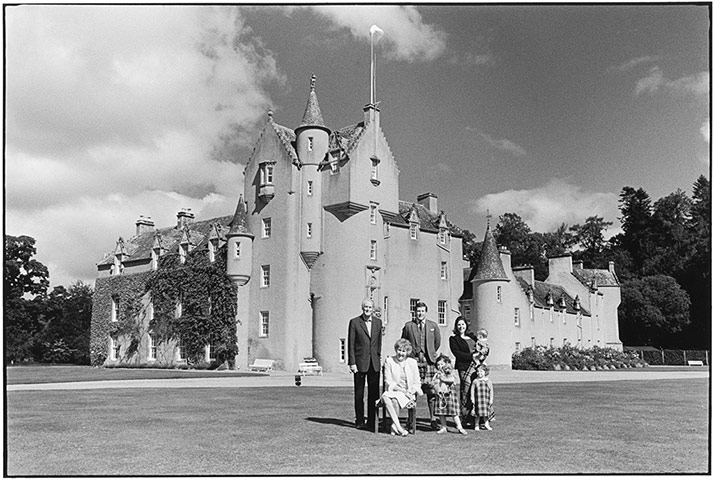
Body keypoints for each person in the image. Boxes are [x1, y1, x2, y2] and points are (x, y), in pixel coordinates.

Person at [401, 301, 441, 430]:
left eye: (422, 311)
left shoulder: (433, 326)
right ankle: (411, 420)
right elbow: (404, 342)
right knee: (412, 391)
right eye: (418, 311)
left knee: (431, 392)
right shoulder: (408, 326)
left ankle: (433, 419)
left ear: (426, 312)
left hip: (429, 362)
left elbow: (437, 342)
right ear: (415, 312)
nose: (420, 313)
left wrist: (430, 353)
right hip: (414, 362)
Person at [348, 298, 382, 430]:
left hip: (374, 363)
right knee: (359, 394)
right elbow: (351, 343)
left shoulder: (378, 323)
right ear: (362, 308)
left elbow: (378, 343)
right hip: (360, 363)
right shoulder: (355, 322)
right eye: (365, 307)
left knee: (374, 394)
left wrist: (378, 357)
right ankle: (360, 420)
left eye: (370, 307)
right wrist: (352, 363)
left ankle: (372, 421)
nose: (367, 309)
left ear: (373, 309)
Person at [381, 338, 422, 436]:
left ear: (407, 352)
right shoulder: (389, 361)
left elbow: (417, 382)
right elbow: (388, 381)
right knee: (386, 397)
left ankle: (394, 427)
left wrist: (411, 391)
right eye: (399, 350)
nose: (401, 353)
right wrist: (401, 390)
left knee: (393, 400)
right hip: (394, 390)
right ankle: (398, 426)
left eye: (403, 351)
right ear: (396, 350)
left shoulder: (412, 362)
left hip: (408, 393)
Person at [449, 317, 476, 425]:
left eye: (463, 324)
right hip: (464, 367)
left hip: (476, 368)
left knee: (475, 391)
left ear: (466, 325)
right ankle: (464, 417)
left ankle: (475, 417)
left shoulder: (473, 337)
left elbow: (482, 346)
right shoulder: (454, 339)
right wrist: (472, 356)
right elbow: (457, 353)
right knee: (466, 391)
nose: (461, 327)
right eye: (459, 325)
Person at [431, 354, 468, 435]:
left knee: (453, 412)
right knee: (441, 413)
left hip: (449, 395)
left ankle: (459, 427)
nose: (440, 366)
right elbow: (433, 382)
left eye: (441, 364)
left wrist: (443, 378)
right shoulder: (437, 374)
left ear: (447, 363)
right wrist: (436, 387)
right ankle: (443, 427)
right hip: (440, 395)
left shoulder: (449, 372)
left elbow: (452, 380)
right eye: (438, 364)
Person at [460, 328, 490, 423]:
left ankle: (481, 418)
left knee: (480, 390)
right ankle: (466, 418)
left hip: (476, 364)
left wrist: (480, 356)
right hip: (468, 366)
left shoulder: (478, 341)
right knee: (467, 391)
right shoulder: (478, 341)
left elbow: (483, 351)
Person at [470, 364, 494, 431]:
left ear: (485, 372)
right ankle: (476, 425)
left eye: (481, 371)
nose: (479, 373)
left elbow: (491, 390)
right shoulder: (475, 381)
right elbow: (472, 390)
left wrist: (491, 399)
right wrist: (472, 398)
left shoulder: (488, 381)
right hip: (478, 400)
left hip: (486, 400)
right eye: (478, 371)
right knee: (477, 414)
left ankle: (486, 424)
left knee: (486, 414)